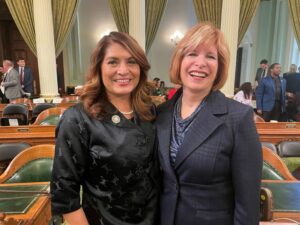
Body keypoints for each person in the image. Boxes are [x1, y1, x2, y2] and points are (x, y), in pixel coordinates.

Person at [155, 22, 262, 225]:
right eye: (192, 54)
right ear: (179, 60)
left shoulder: (238, 118)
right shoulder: (162, 114)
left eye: (210, 56)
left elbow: (247, 204)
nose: (200, 63)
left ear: (220, 66)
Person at [51, 32, 159, 225]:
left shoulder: (150, 111)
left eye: (131, 61)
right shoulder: (77, 120)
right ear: (98, 68)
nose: (123, 70)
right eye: (113, 62)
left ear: (140, 68)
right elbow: (65, 194)